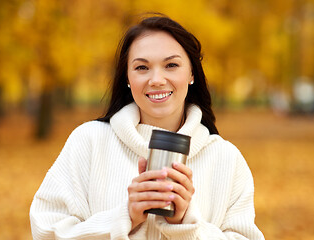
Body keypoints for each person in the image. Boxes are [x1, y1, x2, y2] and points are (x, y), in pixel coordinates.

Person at [30, 14, 265, 240]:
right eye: (142, 67)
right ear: (127, 78)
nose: (156, 79)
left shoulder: (226, 159)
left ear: (192, 73)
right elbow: (45, 232)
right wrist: (124, 218)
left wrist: (186, 224)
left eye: (171, 65)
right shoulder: (89, 142)